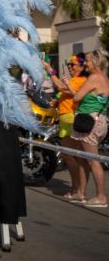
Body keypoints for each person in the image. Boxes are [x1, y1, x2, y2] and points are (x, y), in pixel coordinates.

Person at [44, 54, 88, 201]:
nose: (70, 66)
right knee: (69, 155)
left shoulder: (80, 79)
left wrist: (50, 71)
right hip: (65, 118)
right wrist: (57, 102)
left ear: (82, 66)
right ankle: (77, 189)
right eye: (69, 64)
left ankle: (78, 189)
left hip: (70, 118)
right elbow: (65, 93)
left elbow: (62, 87)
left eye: (73, 64)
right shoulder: (75, 80)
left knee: (72, 156)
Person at [71, 50, 109, 208]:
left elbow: (76, 97)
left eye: (86, 61)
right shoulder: (105, 78)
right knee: (84, 158)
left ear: (95, 62)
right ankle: (81, 193)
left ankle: (101, 197)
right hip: (99, 121)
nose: (85, 63)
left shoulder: (94, 78)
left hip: (90, 123)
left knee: (93, 161)